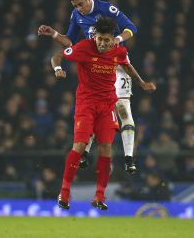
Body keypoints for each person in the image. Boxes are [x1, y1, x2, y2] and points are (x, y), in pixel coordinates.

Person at [50, 17, 156, 210]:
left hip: (107, 105)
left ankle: (99, 196)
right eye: (100, 39)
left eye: (107, 40)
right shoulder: (83, 47)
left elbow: (127, 66)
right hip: (86, 104)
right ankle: (64, 192)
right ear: (95, 37)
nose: (102, 43)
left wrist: (141, 83)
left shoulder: (118, 50)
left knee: (106, 148)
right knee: (80, 145)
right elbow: (57, 57)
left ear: (113, 39)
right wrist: (57, 69)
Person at [38, 0, 138, 173]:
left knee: (123, 108)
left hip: (117, 62)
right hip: (96, 64)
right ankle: (85, 153)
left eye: (81, 4)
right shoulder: (76, 15)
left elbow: (131, 28)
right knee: (93, 106)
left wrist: (117, 38)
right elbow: (70, 41)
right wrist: (53, 33)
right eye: (75, 6)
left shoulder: (107, 9)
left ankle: (129, 158)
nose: (79, 8)